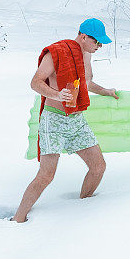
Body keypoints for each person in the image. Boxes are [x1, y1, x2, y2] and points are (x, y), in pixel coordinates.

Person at [13, 18, 119, 223]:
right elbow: (35, 83)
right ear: (83, 36)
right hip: (53, 120)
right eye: (97, 42)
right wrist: (56, 95)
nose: (99, 47)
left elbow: (86, 83)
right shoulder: (57, 53)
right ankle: (18, 219)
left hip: (76, 119)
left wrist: (105, 91)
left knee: (98, 167)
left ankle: (83, 206)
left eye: (101, 44)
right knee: (46, 175)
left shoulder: (85, 56)